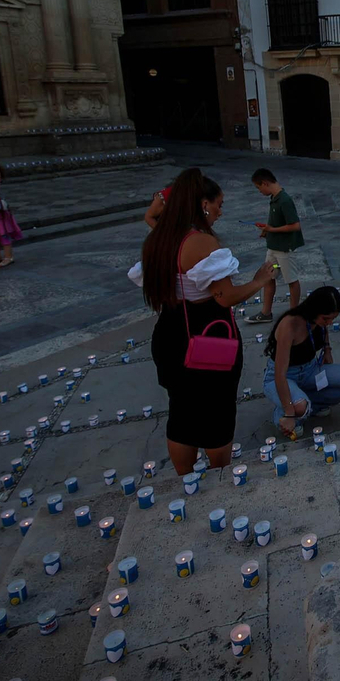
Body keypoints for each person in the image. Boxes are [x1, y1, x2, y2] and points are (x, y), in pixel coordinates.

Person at [130, 168, 275, 474]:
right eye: (218, 205)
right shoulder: (200, 242)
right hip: (204, 337)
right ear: (203, 204)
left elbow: (153, 218)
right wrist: (259, 280)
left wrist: (156, 206)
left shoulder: (159, 240)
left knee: (181, 411)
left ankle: (184, 479)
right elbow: (223, 297)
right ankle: (219, 479)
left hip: (169, 333)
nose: (220, 212)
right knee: (216, 411)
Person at [262, 286, 340, 436]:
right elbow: (279, 375)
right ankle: (284, 413)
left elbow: (323, 330)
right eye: (326, 318)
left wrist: (327, 349)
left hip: (311, 369)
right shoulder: (290, 324)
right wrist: (289, 413)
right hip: (284, 376)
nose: (329, 323)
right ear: (314, 309)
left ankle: (308, 404)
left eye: (332, 318)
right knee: (299, 408)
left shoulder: (318, 322)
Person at [246, 168, 303, 324]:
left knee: (291, 280)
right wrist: (267, 231)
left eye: (259, 188)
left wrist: (272, 229)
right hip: (273, 247)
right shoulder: (275, 198)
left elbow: (295, 225)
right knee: (269, 277)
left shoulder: (284, 200)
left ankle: (293, 314)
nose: (259, 191)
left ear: (265, 183)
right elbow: (278, 222)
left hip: (285, 249)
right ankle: (266, 312)